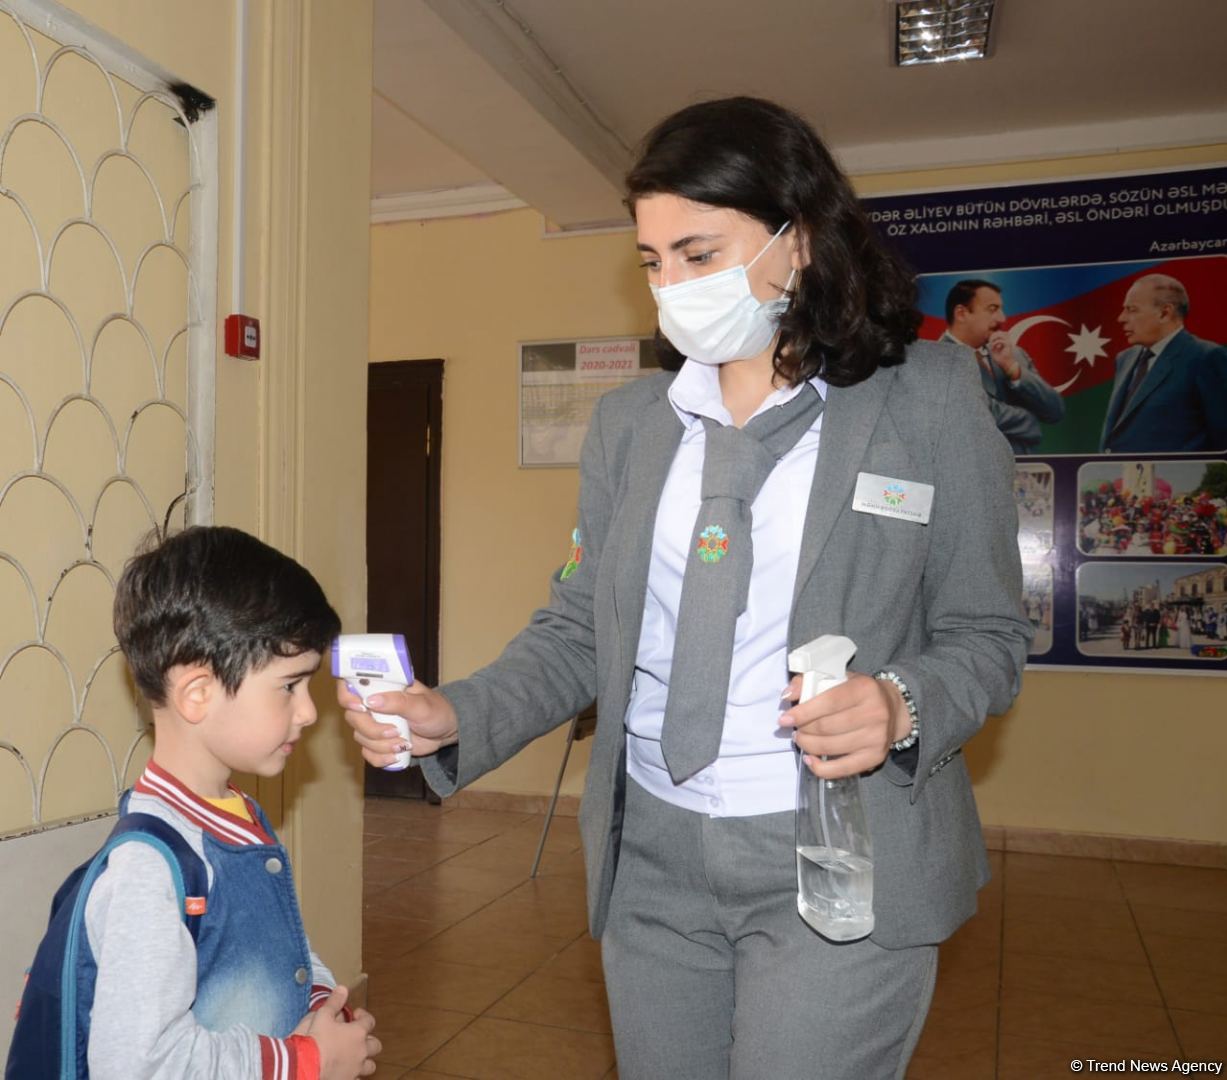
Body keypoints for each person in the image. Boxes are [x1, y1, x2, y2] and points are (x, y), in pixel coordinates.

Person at [342, 97, 1030, 1080]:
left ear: (795, 243)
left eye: (699, 254)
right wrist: (454, 712)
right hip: (652, 862)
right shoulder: (633, 426)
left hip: (839, 853)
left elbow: (985, 632)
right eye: (652, 262)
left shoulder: (922, 398)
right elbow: (581, 625)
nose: (672, 287)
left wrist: (901, 702)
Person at [10, 526, 380, 1080]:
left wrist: (324, 1004)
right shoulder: (151, 870)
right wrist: (304, 1061)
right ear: (198, 693)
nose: (308, 712)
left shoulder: (233, 814)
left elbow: (277, 944)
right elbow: (138, 1063)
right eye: (289, 686)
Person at [1099, 274, 1227, 452]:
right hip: (1120, 475)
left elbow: (1222, 439)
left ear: (1164, 313)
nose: (1121, 318)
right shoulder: (1125, 358)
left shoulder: (1206, 357)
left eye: (1132, 309)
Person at [940, 279, 1065, 453]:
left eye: (1001, 309)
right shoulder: (936, 362)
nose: (1002, 318)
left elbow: (1055, 411)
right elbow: (978, 413)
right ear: (961, 313)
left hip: (1026, 474)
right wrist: (1030, 421)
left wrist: (1012, 369)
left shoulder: (1014, 354)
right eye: (992, 309)